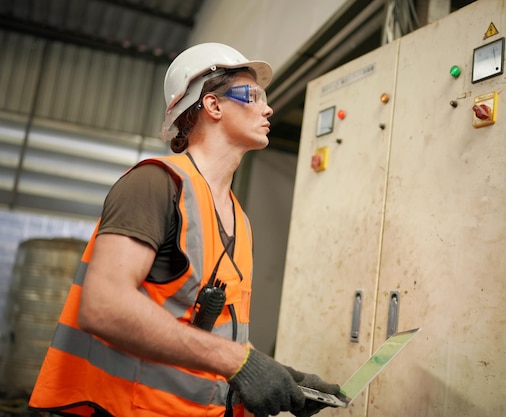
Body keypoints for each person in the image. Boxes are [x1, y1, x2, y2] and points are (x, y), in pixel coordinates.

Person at [28, 43, 341, 417]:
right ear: (212, 105)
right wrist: (236, 363)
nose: (267, 107)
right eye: (252, 95)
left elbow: (219, 332)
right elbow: (104, 307)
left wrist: (283, 376)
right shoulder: (155, 184)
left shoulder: (239, 218)